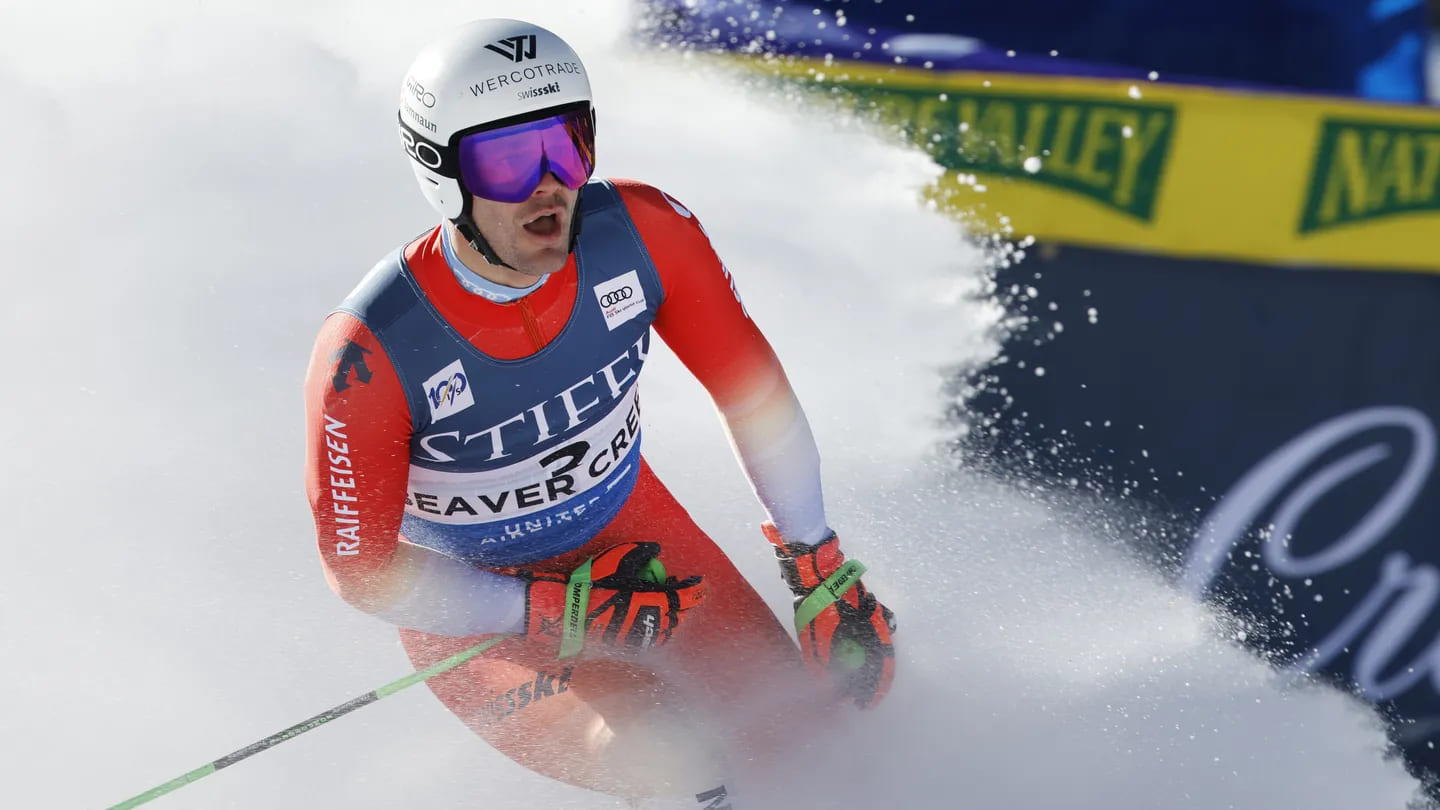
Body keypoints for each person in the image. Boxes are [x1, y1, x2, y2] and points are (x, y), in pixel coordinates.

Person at [302, 17, 896, 806]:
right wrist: (543, 609)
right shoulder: (370, 354)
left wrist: (817, 564)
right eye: (510, 159)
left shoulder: (648, 234)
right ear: (440, 171)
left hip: (640, 547)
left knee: (815, 744)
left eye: (568, 145)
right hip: (482, 614)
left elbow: (752, 395)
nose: (549, 184)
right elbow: (361, 574)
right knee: (681, 768)